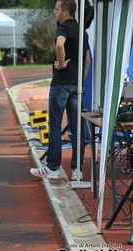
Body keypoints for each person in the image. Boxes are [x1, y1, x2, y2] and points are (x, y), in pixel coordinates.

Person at [30, 0, 90, 181]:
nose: (54, 13)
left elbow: (59, 45)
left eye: (56, 9)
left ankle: (53, 167)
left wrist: (62, 63)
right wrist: (81, 81)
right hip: (76, 85)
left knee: (55, 125)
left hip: (61, 84)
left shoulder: (63, 28)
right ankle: (77, 170)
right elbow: (86, 61)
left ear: (65, 12)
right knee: (76, 128)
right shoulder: (82, 31)